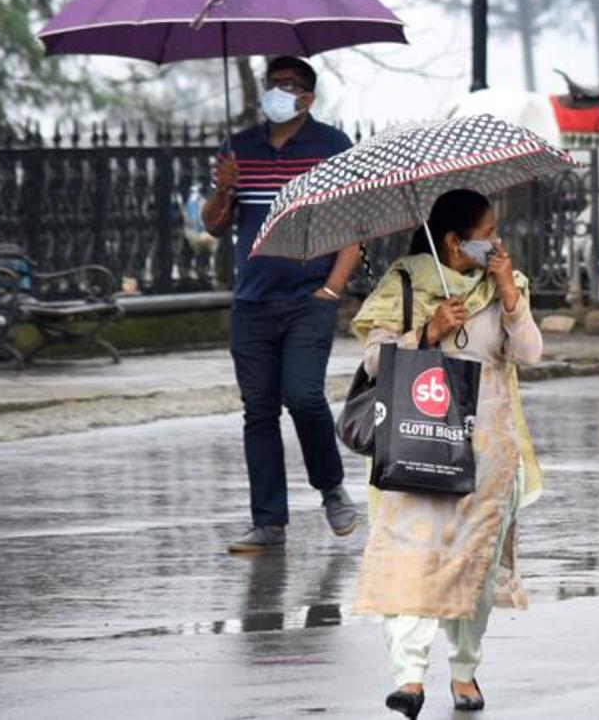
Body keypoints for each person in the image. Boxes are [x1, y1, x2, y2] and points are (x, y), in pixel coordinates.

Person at [350, 189, 544, 717]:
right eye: (488, 235)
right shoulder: (406, 282)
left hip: (487, 451)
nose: (496, 243)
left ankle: (464, 671)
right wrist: (429, 331)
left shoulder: (506, 284)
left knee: (472, 568)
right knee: (409, 558)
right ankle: (409, 677)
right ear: (455, 241)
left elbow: (529, 353)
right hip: (415, 439)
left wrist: (507, 293)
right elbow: (373, 361)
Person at [203, 56, 362, 553]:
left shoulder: (332, 148)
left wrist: (332, 290)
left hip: (308, 299)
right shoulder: (238, 148)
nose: (277, 92)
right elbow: (213, 225)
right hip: (252, 302)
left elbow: (352, 232)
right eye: (271, 84)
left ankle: (331, 487)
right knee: (259, 411)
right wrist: (225, 186)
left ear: (308, 98)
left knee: (305, 396)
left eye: (288, 86)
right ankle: (268, 522)